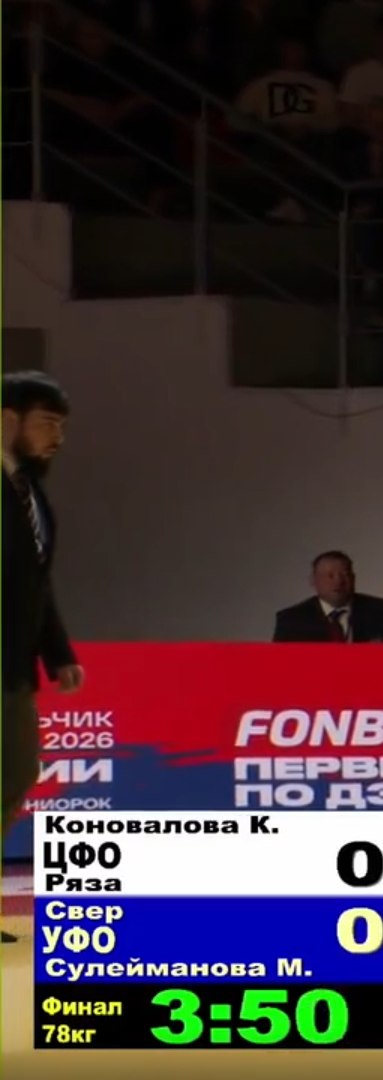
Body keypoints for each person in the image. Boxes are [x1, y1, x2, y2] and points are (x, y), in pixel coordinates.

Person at [2, 372, 82, 944]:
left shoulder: (29, 492)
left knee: (16, 772)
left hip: (13, 665)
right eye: (48, 423)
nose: (58, 438)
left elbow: (36, 584)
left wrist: (58, 653)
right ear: (8, 421)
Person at [271, 551, 383, 643]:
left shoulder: (382, 612)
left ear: (353, 578)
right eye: (330, 576)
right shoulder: (291, 620)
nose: (338, 581)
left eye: (344, 575)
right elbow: (279, 669)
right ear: (313, 581)